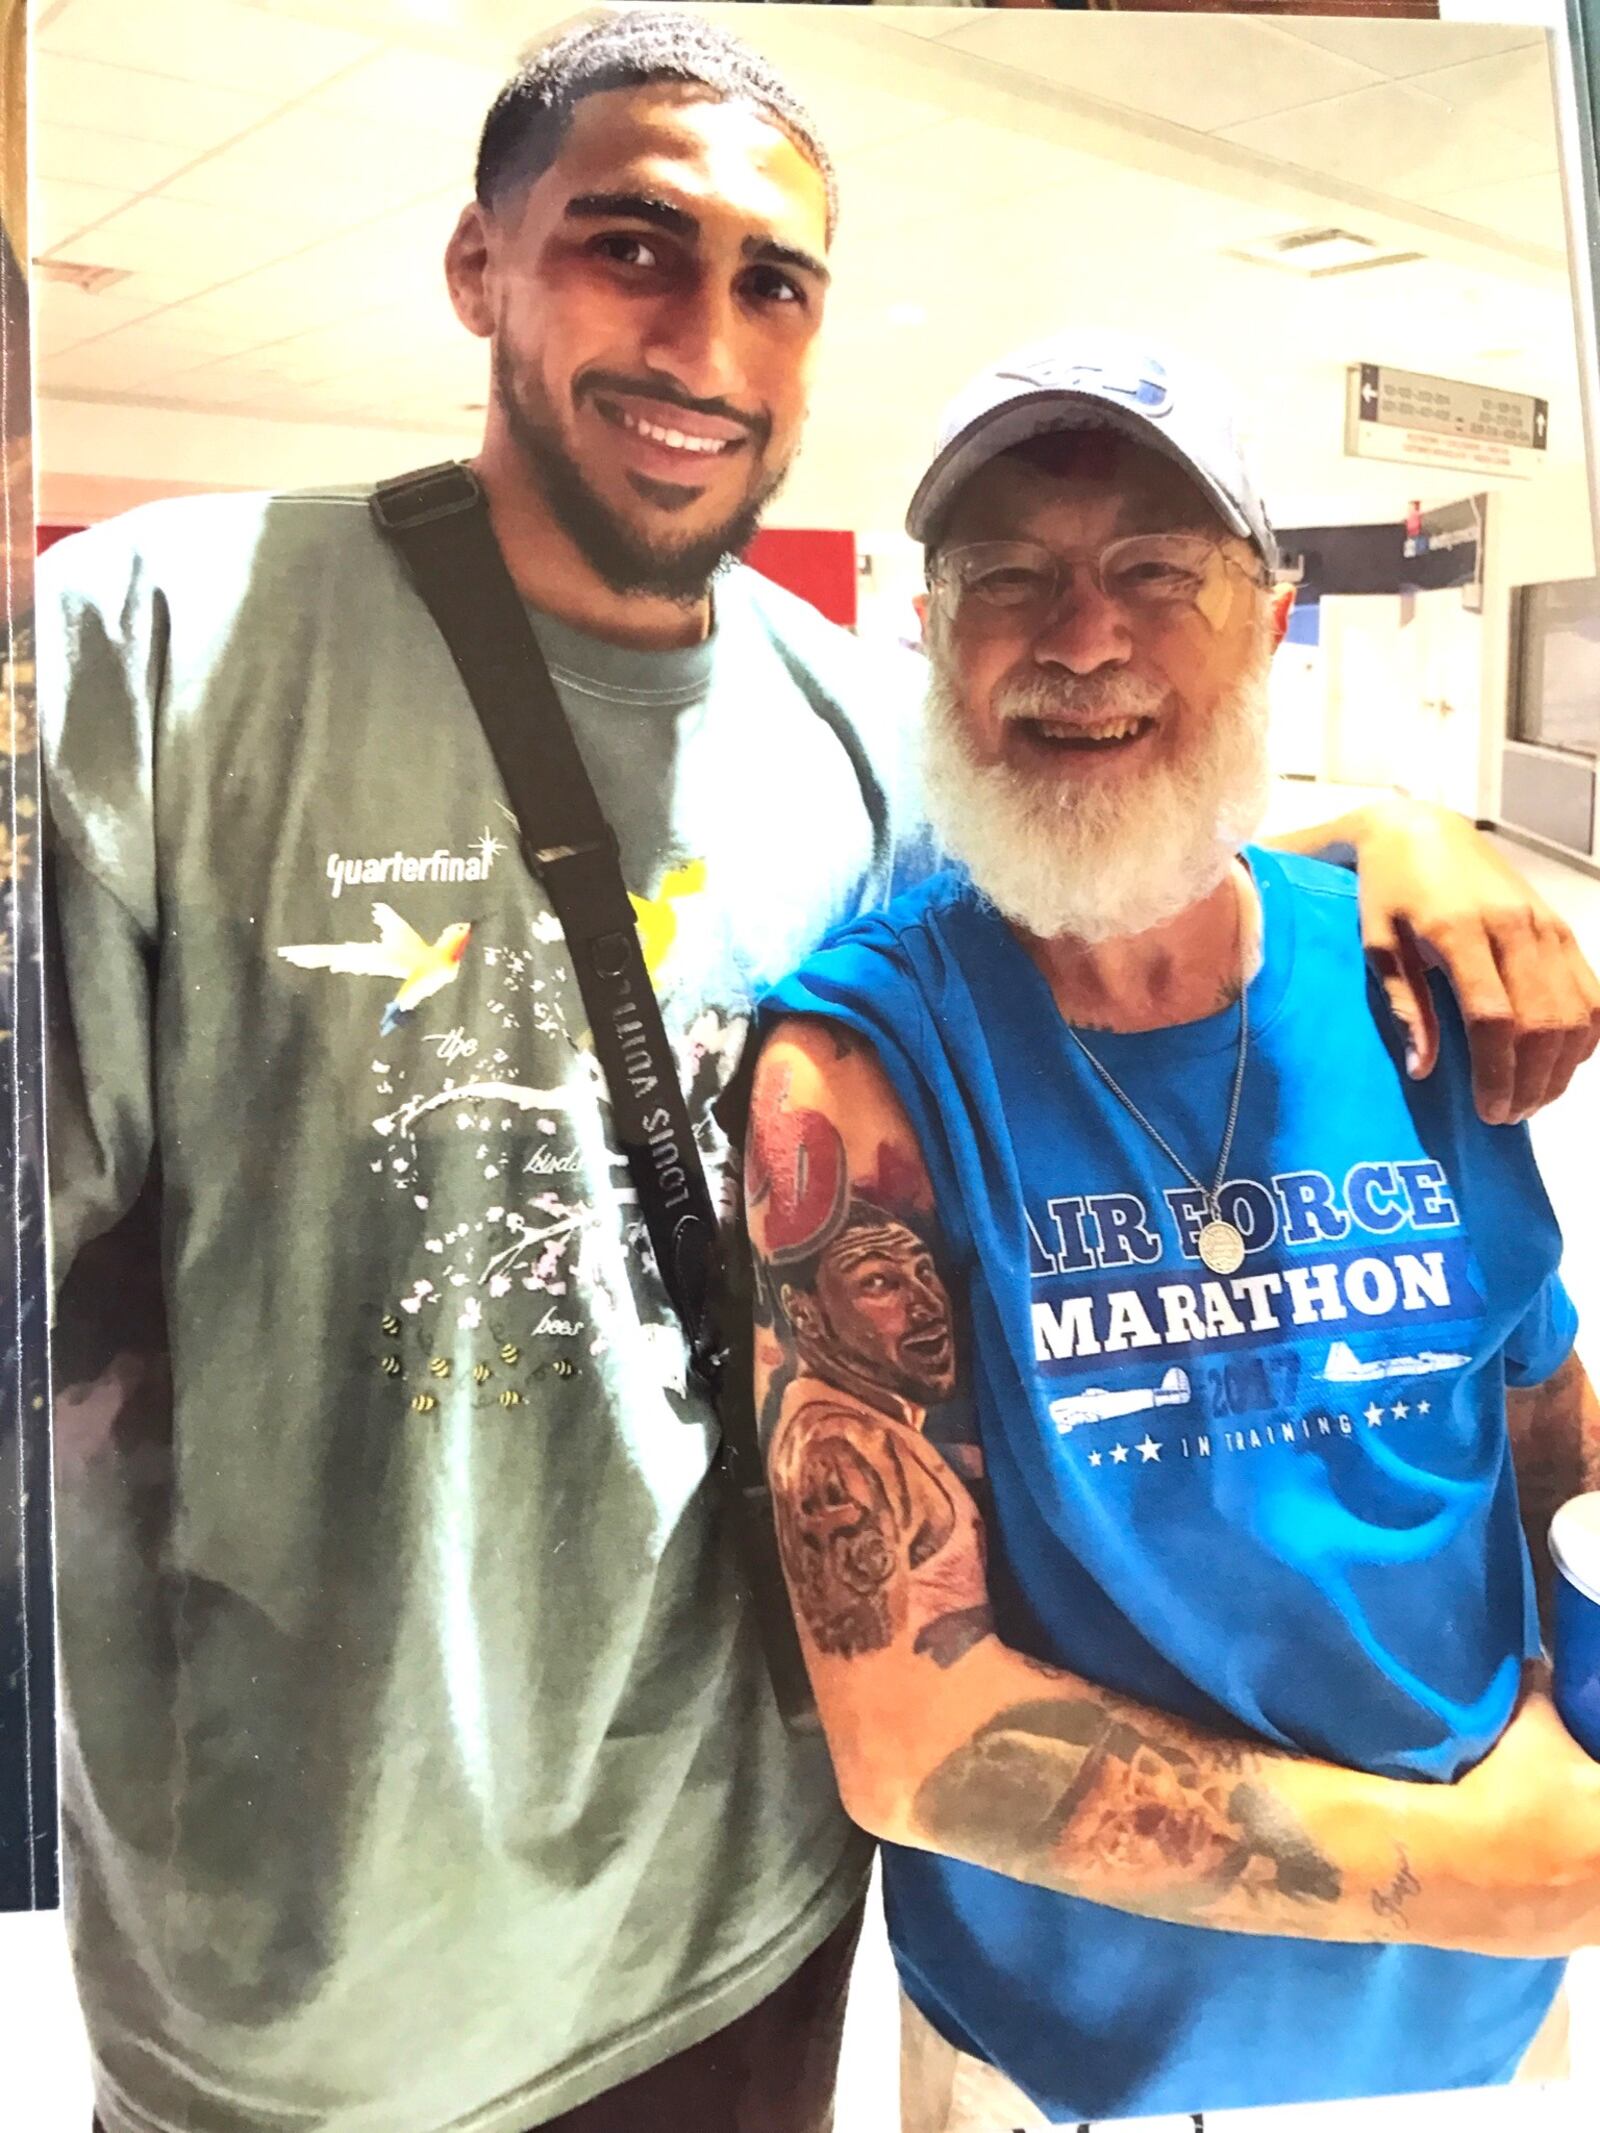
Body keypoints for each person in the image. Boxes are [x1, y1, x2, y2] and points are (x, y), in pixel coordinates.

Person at [35, 13, 1599, 2133]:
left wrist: (1395, 837)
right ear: (479, 265)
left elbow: (1111, 844)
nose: (701, 334)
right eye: (627, 245)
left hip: (747, 1919)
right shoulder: (163, 645)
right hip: (325, 1973)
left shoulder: (850, 730)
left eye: (769, 279)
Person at [751, 335, 1600, 2132]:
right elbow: (915, 1738)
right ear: (930, 626)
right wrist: (1494, 1870)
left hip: (1479, 2036)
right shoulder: (862, 1065)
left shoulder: (1403, 989)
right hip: (1069, 2055)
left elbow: (1535, 1430)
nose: (1080, 638)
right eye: (1011, 580)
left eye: (1155, 570)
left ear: (1275, 613)